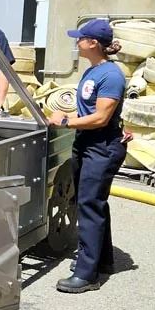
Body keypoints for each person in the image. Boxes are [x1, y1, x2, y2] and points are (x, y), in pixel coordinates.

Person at [48, 18, 126, 294]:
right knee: (92, 205)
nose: (76, 42)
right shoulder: (92, 71)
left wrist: (66, 122)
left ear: (93, 43)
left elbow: (102, 117)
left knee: (90, 206)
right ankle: (99, 261)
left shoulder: (111, 75)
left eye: (80, 38)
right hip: (87, 144)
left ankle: (87, 275)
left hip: (101, 146)